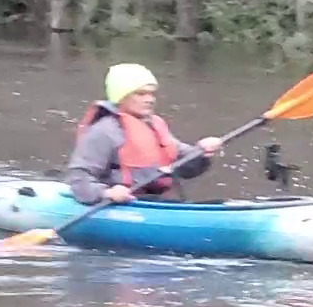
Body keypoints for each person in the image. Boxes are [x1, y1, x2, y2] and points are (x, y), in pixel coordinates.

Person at [65, 63, 225, 205]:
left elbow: (186, 167)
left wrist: (202, 152)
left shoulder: (154, 125)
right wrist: (106, 193)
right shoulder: (104, 131)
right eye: (141, 94)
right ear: (121, 97)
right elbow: (79, 177)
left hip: (153, 202)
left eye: (151, 93)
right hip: (119, 203)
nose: (150, 99)